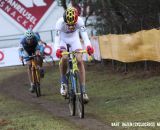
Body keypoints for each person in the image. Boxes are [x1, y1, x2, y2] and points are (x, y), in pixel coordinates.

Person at [55, 7, 94, 103]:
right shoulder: (59, 23)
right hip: (63, 41)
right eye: (69, 24)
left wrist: (88, 46)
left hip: (75, 40)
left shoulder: (80, 21)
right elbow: (57, 39)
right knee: (64, 58)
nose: (71, 26)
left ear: (76, 20)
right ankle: (63, 82)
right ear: (65, 20)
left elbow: (85, 36)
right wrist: (57, 50)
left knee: (80, 60)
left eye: (73, 24)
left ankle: (83, 91)